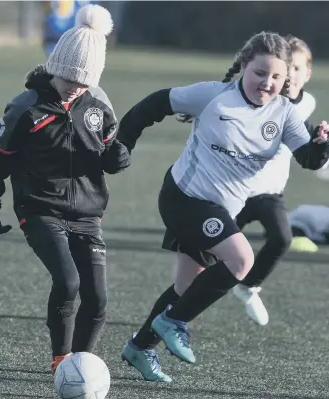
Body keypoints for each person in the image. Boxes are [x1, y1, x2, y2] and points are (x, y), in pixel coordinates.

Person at [117, 31, 329, 382]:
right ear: (244, 66)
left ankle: (139, 347)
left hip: (219, 212)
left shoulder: (285, 114)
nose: (267, 83)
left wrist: (322, 145)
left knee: (187, 288)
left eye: (277, 77)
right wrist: (124, 142)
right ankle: (174, 321)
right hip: (184, 199)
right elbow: (154, 104)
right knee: (243, 260)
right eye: (260, 73)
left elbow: (307, 157)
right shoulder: (214, 96)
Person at [0, 4, 130, 375]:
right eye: (67, 79)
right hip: (40, 209)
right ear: (54, 68)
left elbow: (107, 150)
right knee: (68, 281)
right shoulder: (26, 107)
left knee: (98, 299)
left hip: (88, 214)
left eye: (83, 82)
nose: (74, 88)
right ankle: (61, 357)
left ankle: (80, 364)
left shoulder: (98, 104)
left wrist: (117, 157)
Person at [232, 35, 322, 326]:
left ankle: (248, 287)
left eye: (298, 68)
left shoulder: (306, 103)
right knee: (205, 254)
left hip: (270, 191)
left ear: (307, 73)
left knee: (282, 238)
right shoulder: (267, 97)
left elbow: (306, 152)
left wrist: (320, 143)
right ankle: (177, 305)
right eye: (287, 68)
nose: (292, 75)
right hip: (236, 188)